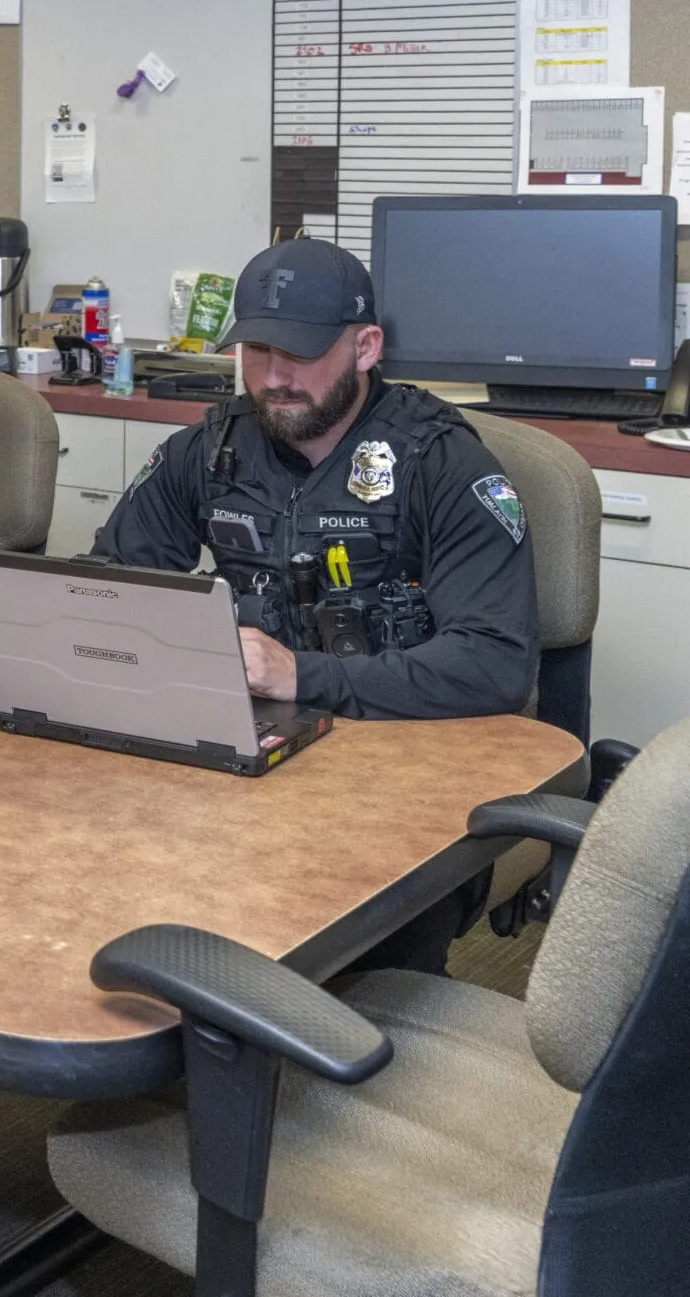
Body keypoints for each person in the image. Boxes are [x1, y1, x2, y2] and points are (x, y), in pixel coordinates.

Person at [91, 235, 538, 973]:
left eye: (297, 353)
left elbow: (496, 662)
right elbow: (111, 582)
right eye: (257, 351)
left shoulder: (441, 462)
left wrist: (301, 674)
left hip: (395, 779)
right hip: (246, 763)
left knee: (354, 967)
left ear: (366, 347)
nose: (273, 377)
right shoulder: (209, 450)